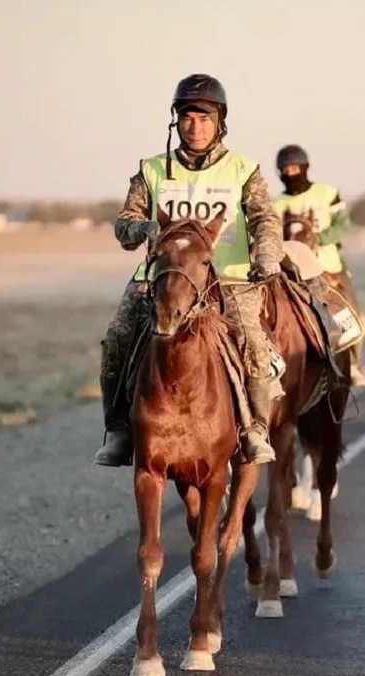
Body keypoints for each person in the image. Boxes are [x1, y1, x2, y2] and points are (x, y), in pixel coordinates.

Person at [94, 73, 283, 468]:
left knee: (254, 345)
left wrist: (267, 256)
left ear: (220, 123)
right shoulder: (152, 170)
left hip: (227, 279)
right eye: (187, 118)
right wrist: (145, 227)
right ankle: (118, 431)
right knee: (116, 339)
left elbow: (266, 219)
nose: (194, 127)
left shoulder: (244, 170)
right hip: (161, 279)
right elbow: (125, 225)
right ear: (176, 121)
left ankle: (254, 430)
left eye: (204, 118)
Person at [271, 144, 365, 386]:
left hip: (328, 266)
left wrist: (320, 237)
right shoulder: (276, 203)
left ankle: (353, 364)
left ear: (304, 168)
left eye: (295, 168)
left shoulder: (327, 193)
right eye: (286, 170)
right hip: (289, 271)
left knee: (350, 313)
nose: (291, 174)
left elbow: (343, 224)